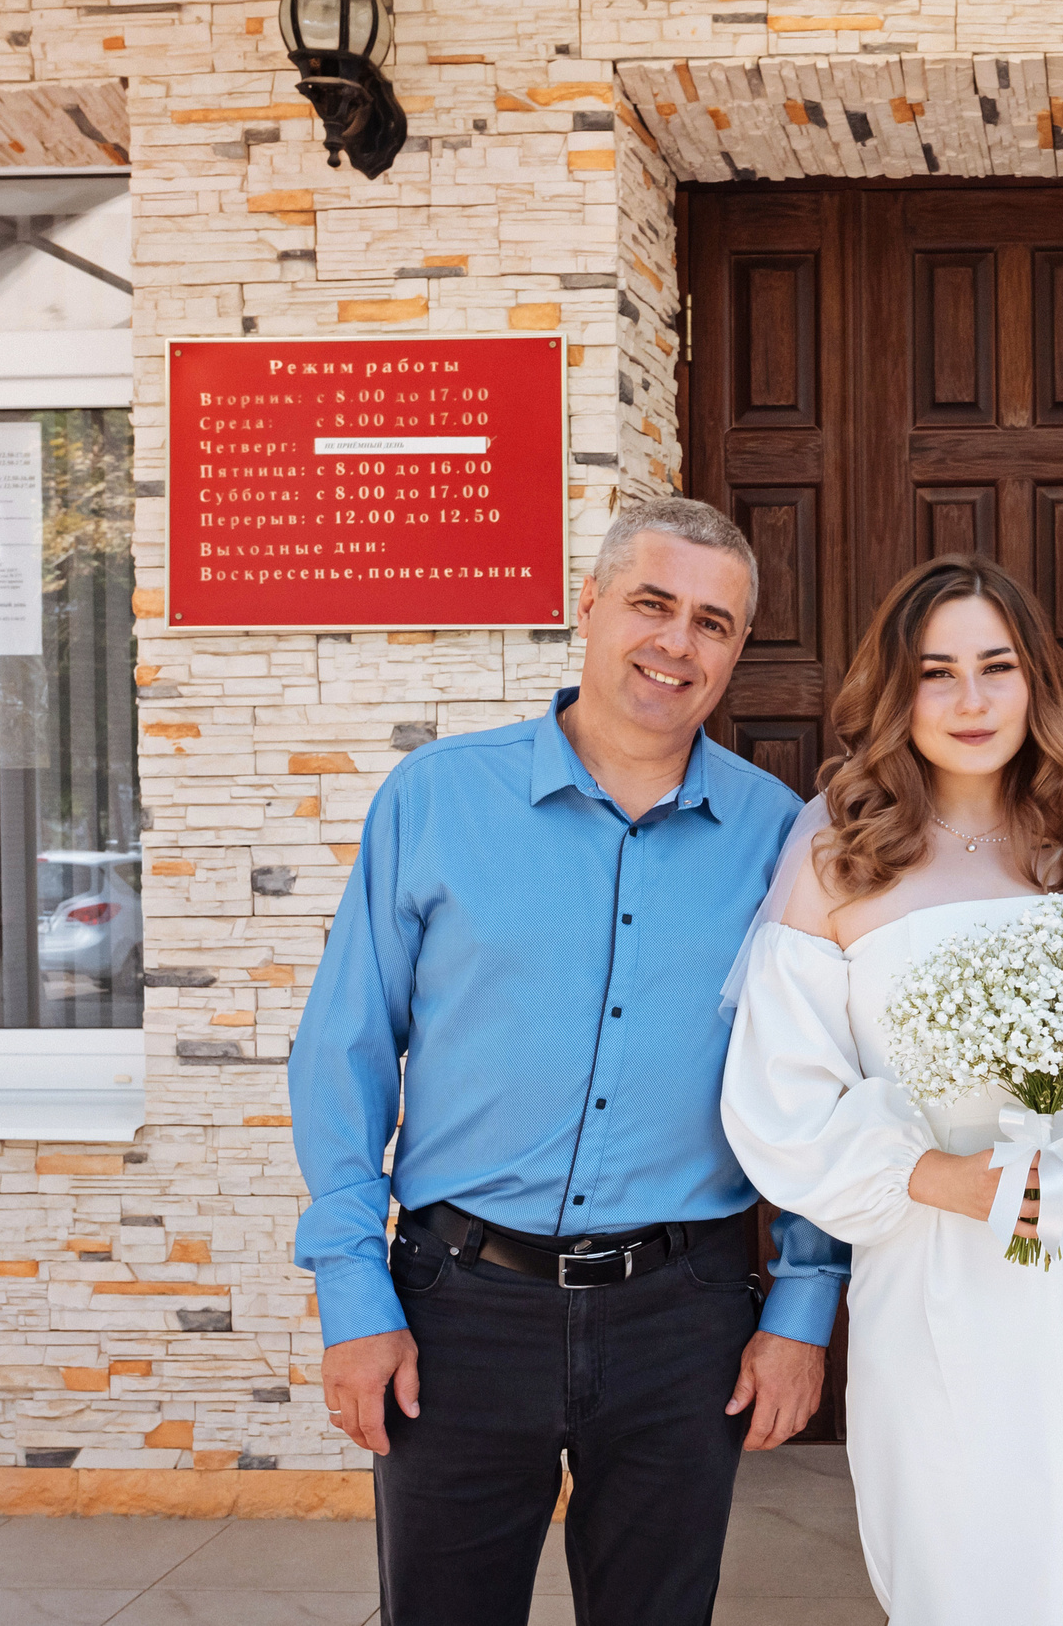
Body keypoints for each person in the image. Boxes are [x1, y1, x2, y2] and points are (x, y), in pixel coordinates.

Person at [289, 495, 847, 1626]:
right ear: (587, 606)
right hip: (459, 1304)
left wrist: (802, 1299)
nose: (676, 643)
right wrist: (352, 1287)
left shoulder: (778, 833)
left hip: (684, 1311)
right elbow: (343, 1048)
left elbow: (819, 1077)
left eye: (713, 622)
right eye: (651, 603)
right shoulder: (438, 796)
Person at [719, 553, 1063, 1626]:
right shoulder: (840, 861)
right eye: (938, 672)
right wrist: (940, 1174)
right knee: (962, 1555)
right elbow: (776, 1094)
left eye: (997, 666)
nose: (973, 700)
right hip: (935, 1246)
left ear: (1036, 680)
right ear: (898, 692)